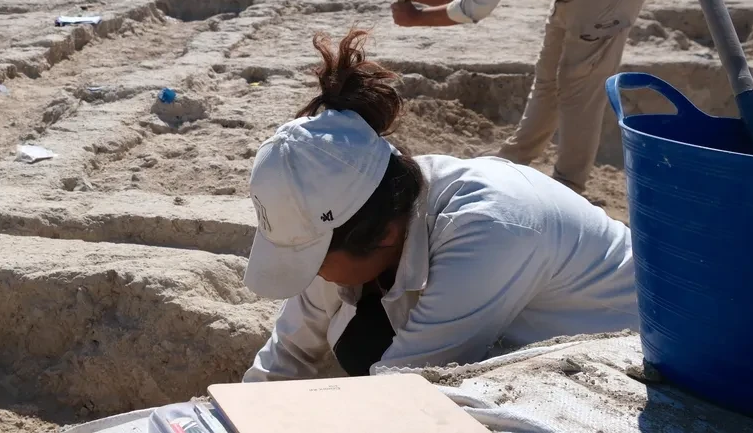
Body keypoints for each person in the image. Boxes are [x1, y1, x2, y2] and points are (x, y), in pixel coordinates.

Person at [242, 30, 638, 381]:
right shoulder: (357, 203)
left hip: (624, 362)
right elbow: (290, 351)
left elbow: (400, 398)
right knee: (359, 341)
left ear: (385, 234)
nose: (312, 276)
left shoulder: (490, 228)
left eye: (313, 259)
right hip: (500, 327)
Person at [388, 0, 656, 192]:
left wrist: (416, 18)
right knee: (547, 79)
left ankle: (569, 184)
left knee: (576, 87)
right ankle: (514, 160)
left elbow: (475, 8)